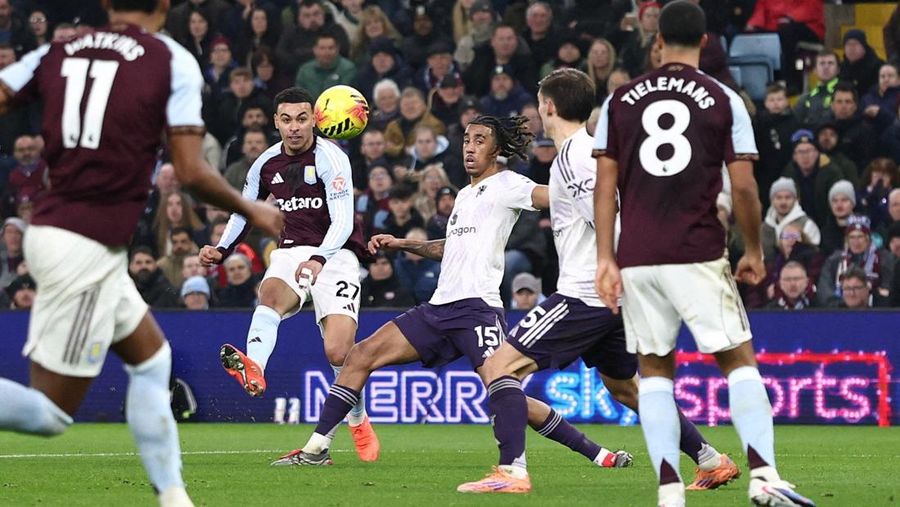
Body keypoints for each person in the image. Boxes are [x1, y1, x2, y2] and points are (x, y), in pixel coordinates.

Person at [0, 3, 282, 506]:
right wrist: (252, 210)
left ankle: (174, 497)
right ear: (165, 6)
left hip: (74, 238)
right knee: (50, 414)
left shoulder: (58, 48)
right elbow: (191, 172)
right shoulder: (169, 58)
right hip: (80, 245)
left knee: (153, 361)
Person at [272, 115, 627, 477]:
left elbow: (555, 196)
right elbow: (452, 247)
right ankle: (317, 448)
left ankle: (595, 453)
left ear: (497, 150)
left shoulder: (510, 184)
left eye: (480, 141)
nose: (470, 148)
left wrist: (604, 181)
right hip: (439, 308)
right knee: (360, 355)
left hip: (478, 310)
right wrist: (404, 244)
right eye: (467, 140)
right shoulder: (464, 194)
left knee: (505, 392)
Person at [460, 68, 739, 495]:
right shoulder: (592, 152)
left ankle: (511, 472)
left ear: (549, 106)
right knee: (626, 388)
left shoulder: (574, 157)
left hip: (586, 293)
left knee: (499, 367)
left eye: (540, 103)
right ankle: (710, 460)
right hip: (614, 297)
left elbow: (608, 216)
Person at [591, 4, 814, 507]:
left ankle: (670, 491)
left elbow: (605, 187)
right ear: (706, 40)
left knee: (652, 373)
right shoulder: (723, 99)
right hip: (697, 250)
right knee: (738, 362)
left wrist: (606, 256)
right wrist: (754, 248)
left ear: (659, 38)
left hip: (638, 256)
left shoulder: (618, 101)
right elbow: (744, 188)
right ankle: (764, 476)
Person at [199, 87, 380, 461]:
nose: (294, 127)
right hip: (290, 250)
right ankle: (255, 367)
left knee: (339, 351)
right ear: (275, 122)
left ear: (314, 119)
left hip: (338, 253)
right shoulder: (264, 163)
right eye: (286, 120)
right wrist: (222, 248)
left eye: (301, 119)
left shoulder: (332, 158)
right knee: (269, 296)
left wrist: (320, 258)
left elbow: (344, 220)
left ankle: (358, 420)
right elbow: (243, 209)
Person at [794, 51, 840, 128]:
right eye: (822, 63)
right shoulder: (806, 98)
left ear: (838, 69)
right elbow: (794, 124)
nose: (826, 67)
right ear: (814, 70)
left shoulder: (847, 93)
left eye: (830, 63)